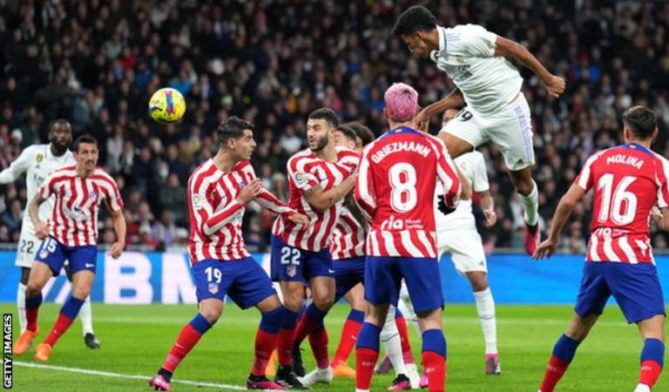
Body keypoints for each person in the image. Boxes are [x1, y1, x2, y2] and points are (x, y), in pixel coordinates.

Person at [149, 116, 309, 391]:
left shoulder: (244, 168)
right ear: (232, 142)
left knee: (275, 312)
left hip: (238, 254)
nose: (254, 144)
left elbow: (260, 195)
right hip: (209, 253)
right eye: (248, 139)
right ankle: (164, 373)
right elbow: (207, 226)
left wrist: (288, 211)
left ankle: (257, 377)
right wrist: (240, 200)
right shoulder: (201, 178)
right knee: (211, 312)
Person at [392, 5, 566, 255]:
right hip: (477, 112)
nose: (411, 49)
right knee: (433, 153)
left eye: (409, 43)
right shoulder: (438, 55)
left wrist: (547, 78)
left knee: (522, 183)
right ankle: (434, 210)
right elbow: (465, 89)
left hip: (508, 110)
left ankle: (531, 222)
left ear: (420, 34)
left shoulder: (466, 38)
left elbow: (514, 48)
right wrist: (430, 110)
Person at [533, 106, 669, 392]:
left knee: (575, 330)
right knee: (654, 334)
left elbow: (566, 202)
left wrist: (552, 238)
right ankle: (642, 389)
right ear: (656, 133)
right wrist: (656, 215)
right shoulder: (660, 165)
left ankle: (543, 390)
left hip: (597, 255)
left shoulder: (599, 158)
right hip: (632, 256)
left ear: (626, 132)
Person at [353, 82, 467, 392]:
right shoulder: (433, 145)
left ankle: (361, 390)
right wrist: (448, 202)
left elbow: (362, 195)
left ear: (386, 112)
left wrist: (379, 219)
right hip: (418, 243)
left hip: (383, 240)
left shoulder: (372, 148)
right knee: (430, 321)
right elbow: (454, 188)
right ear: (416, 111)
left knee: (373, 317)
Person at [400, 108, 501, 382]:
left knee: (480, 280)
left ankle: (492, 352)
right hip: (429, 227)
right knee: (410, 293)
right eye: (444, 121)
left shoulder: (475, 158)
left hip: (462, 228)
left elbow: (481, 193)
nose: (448, 125)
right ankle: (406, 353)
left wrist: (489, 209)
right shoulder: (426, 151)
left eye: (453, 121)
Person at [12, 134, 126, 362]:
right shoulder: (58, 178)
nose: (90, 157)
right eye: (84, 152)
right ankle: (31, 329)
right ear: (75, 156)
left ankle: (48, 344)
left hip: (84, 244)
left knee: (81, 292)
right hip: (56, 238)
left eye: (93, 152)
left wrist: (121, 240)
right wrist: (37, 223)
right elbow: (34, 203)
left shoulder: (106, 182)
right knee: (32, 286)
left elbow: (117, 214)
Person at [270, 108, 359, 388]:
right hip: (291, 239)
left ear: (333, 134)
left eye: (317, 128)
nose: (310, 133)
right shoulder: (299, 163)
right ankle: (284, 368)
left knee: (323, 299)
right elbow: (320, 202)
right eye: (309, 127)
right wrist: (352, 181)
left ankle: (295, 343)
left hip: (320, 244)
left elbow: (375, 161)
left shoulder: (352, 159)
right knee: (295, 301)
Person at [0, 120, 101, 349]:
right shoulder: (33, 154)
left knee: (78, 279)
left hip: (63, 228)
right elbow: (11, 173)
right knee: (27, 279)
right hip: (32, 226)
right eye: (59, 130)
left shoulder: (75, 160)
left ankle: (88, 331)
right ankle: (25, 332)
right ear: (50, 133)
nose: (63, 135)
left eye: (67, 131)